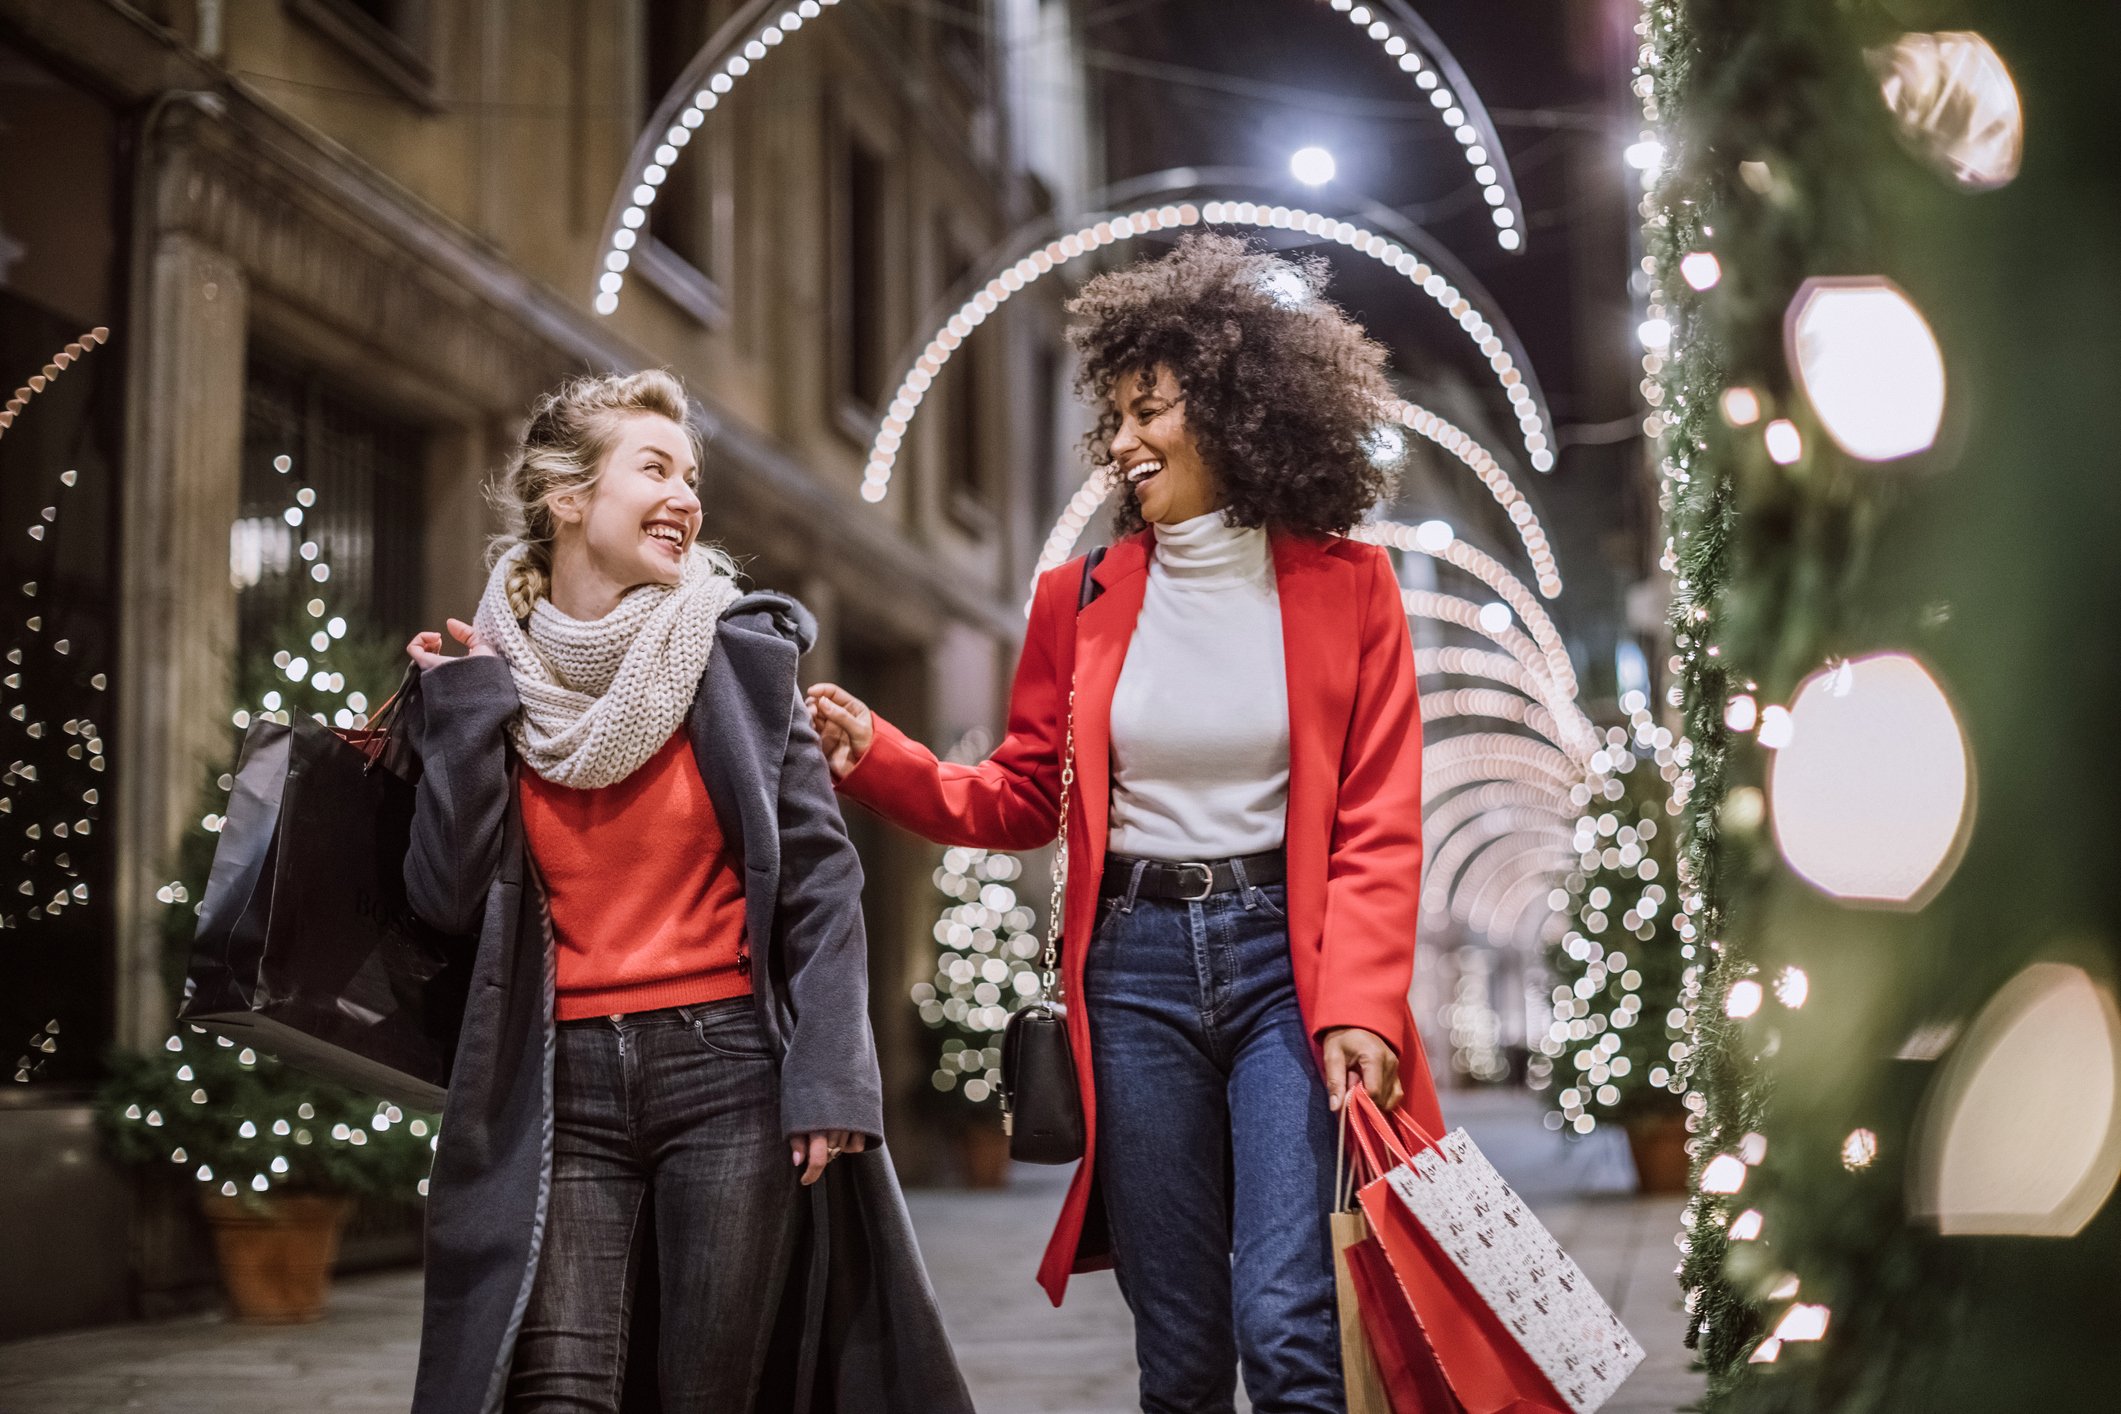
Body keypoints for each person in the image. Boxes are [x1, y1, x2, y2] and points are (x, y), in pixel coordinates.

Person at [807, 233, 1445, 1413]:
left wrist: (1362, 1006)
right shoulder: (1081, 597)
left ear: (1241, 411)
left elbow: (1378, 819)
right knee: (1184, 1342)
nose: (1123, 441)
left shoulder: (1349, 588)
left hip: (1285, 973)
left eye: (1151, 410)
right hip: (1132, 976)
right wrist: (880, 759)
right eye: (1117, 415)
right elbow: (1018, 794)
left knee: (1289, 1321)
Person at [398, 369, 970, 1414]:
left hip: (728, 1074)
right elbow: (442, 891)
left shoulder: (735, 653)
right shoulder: (492, 672)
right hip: (558, 1077)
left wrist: (834, 1074)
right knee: (557, 1392)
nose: (686, 496)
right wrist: (463, 715)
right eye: (653, 468)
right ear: (568, 498)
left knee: (707, 1391)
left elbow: (821, 879)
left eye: (692, 476)